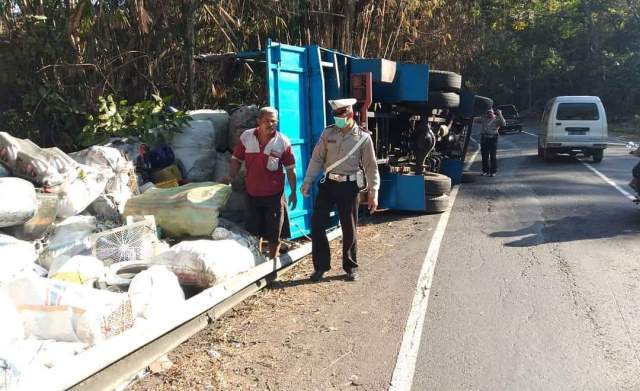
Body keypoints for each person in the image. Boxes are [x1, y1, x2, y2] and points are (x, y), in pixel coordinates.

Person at [301, 98, 380, 282]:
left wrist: (373, 191)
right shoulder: (328, 133)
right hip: (328, 184)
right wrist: (307, 181)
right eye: (335, 115)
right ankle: (320, 267)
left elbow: (371, 167)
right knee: (317, 223)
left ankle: (350, 266)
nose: (338, 118)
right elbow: (317, 158)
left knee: (349, 228)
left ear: (350, 114)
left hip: (349, 186)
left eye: (341, 115)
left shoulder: (363, 137)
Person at [224, 107, 297, 259]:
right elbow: (236, 159)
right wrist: (230, 176)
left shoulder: (282, 142)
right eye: (267, 121)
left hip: (274, 196)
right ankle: (257, 260)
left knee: (274, 233)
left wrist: (294, 193)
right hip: (252, 194)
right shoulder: (247, 137)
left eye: (274, 121)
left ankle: (272, 264)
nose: (271, 124)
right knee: (253, 232)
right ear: (259, 121)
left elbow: (291, 170)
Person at [480, 107, 506, 177]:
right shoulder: (483, 118)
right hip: (484, 138)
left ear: (493, 112)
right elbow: (473, 119)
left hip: (493, 138)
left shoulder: (497, 118)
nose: (489, 114)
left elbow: (503, 124)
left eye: (490, 112)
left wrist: (500, 114)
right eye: (488, 112)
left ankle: (493, 171)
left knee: (492, 156)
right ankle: (485, 170)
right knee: (484, 155)